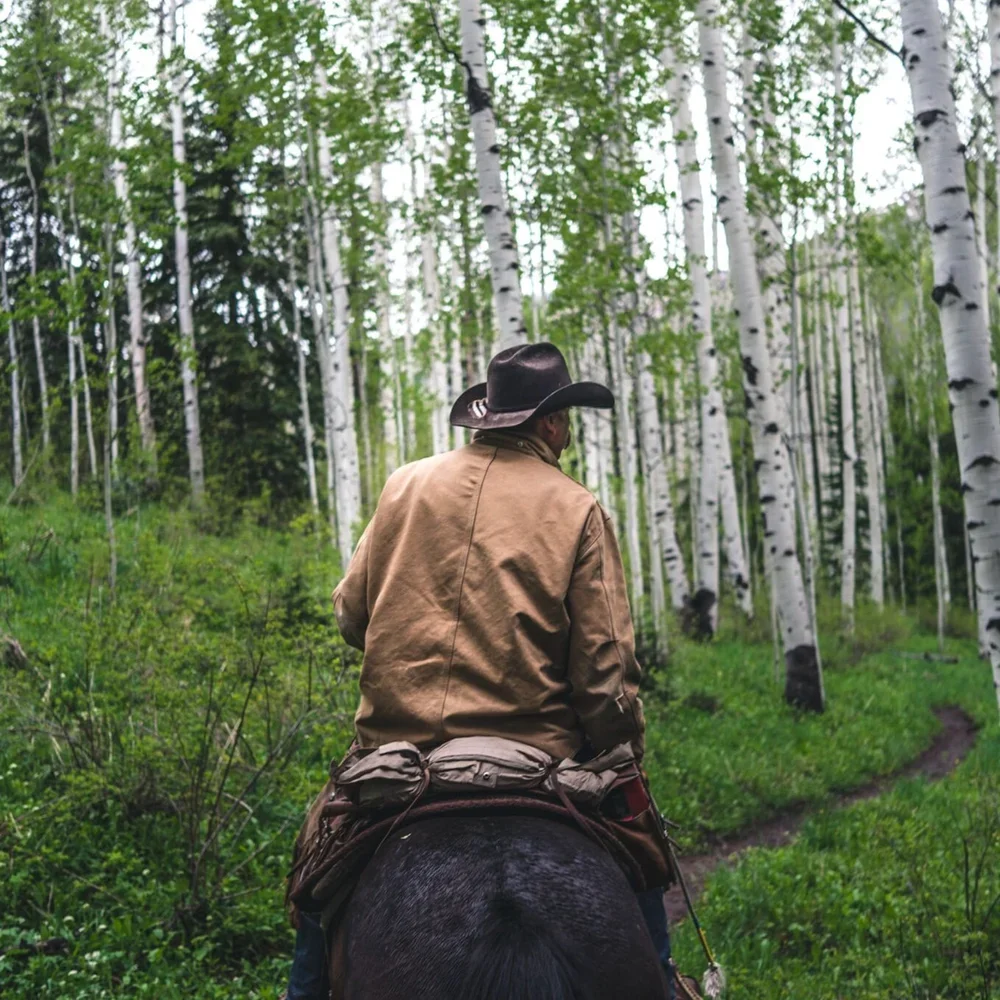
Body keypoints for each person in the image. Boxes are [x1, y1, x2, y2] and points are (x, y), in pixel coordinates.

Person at [285, 342, 674, 999]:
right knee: (644, 872)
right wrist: (623, 750)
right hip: (539, 756)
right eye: (566, 417)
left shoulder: (405, 485)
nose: (569, 430)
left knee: (319, 874)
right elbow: (605, 671)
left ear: (491, 415)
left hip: (397, 754)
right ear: (549, 423)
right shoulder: (578, 508)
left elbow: (352, 616)